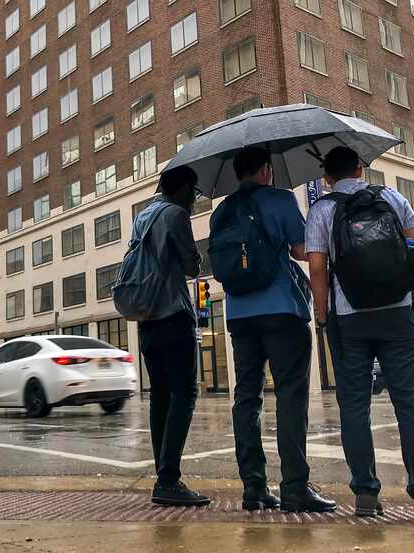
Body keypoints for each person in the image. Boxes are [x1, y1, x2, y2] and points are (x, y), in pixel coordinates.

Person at [305, 146, 414, 522]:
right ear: (361, 168)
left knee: (353, 407)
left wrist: (323, 315)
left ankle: (366, 493)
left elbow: (317, 268)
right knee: (410, 404)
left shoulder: (322, 209)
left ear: (327, 178)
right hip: (397, 314)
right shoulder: (393, 197)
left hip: (349, 320)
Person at [215, 146, 336, 513]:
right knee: (290, 395)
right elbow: (302, 250)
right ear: (267, 169)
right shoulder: (280, 200)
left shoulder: (221, 211)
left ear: (237, 174)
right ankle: (295, 486)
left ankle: (254, 487)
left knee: (246, 398)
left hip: (238, 313)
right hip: (281, 309)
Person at [135, 165, 209, 507]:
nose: (193, 200)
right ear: (179, 190)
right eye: (192, 192)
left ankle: (163, 475)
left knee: (160, 395)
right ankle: (168, 478)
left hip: (146, 318)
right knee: (185, 393)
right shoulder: (176, 215)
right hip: (173, 314)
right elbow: (192, 265)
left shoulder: (143, 216)